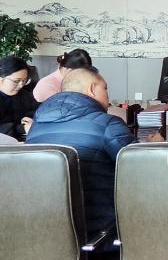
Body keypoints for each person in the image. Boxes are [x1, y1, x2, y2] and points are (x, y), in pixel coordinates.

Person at [26, 67, 136, 244]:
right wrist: (152, 146)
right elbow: (140, 169)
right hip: (102, 232)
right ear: (92, 89)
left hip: (47, 232)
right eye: (105, 88)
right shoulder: (107, 124)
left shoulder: (36, 125)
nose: (108, 96)